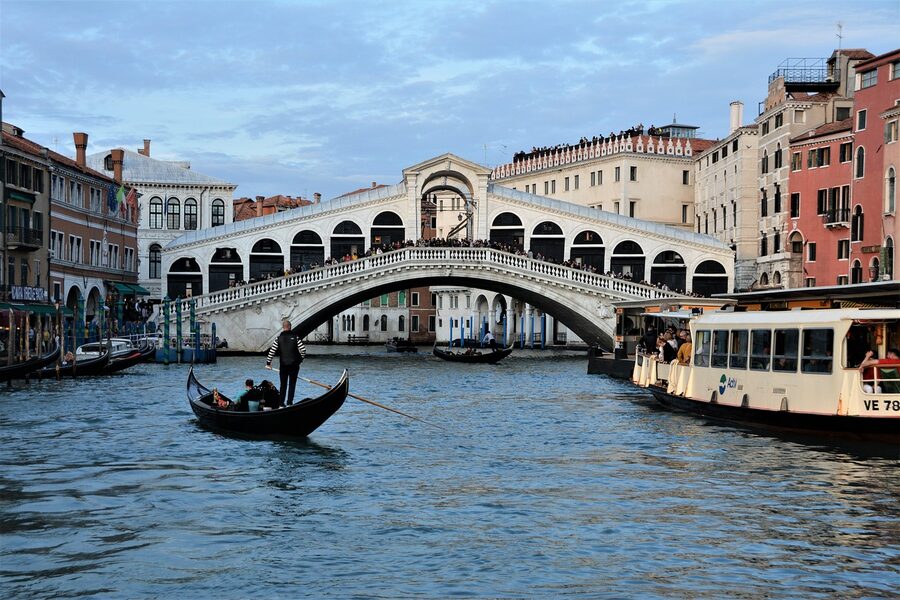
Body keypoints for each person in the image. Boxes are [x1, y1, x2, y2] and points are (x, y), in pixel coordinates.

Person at [265, 319, 307, 406]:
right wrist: (300, 360)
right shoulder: (296, 337)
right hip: (294, 365)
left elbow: (272, 351)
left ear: (283, 328)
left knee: (283, 385)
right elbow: (303, 350)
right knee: (292, 384)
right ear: (290, 327)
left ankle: (281, 404)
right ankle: (289, 403)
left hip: (283, 365)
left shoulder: (278, 338)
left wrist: (268, 363)